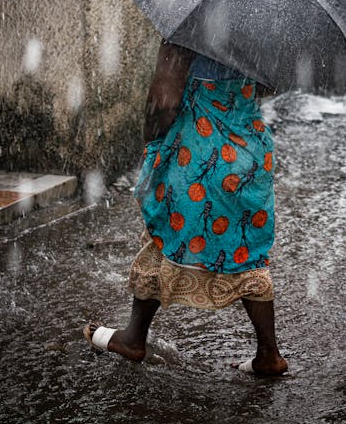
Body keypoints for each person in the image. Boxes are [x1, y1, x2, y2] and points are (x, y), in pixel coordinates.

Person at [84, 40, 288, 376]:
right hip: (249, 156)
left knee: (162, 235)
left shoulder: (187, 32)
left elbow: (163, 102)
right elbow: (266, 86)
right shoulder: (260, 32)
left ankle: (134, 337)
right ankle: (269, 353)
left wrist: (152, 144)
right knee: (247, 251)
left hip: (196, 154)